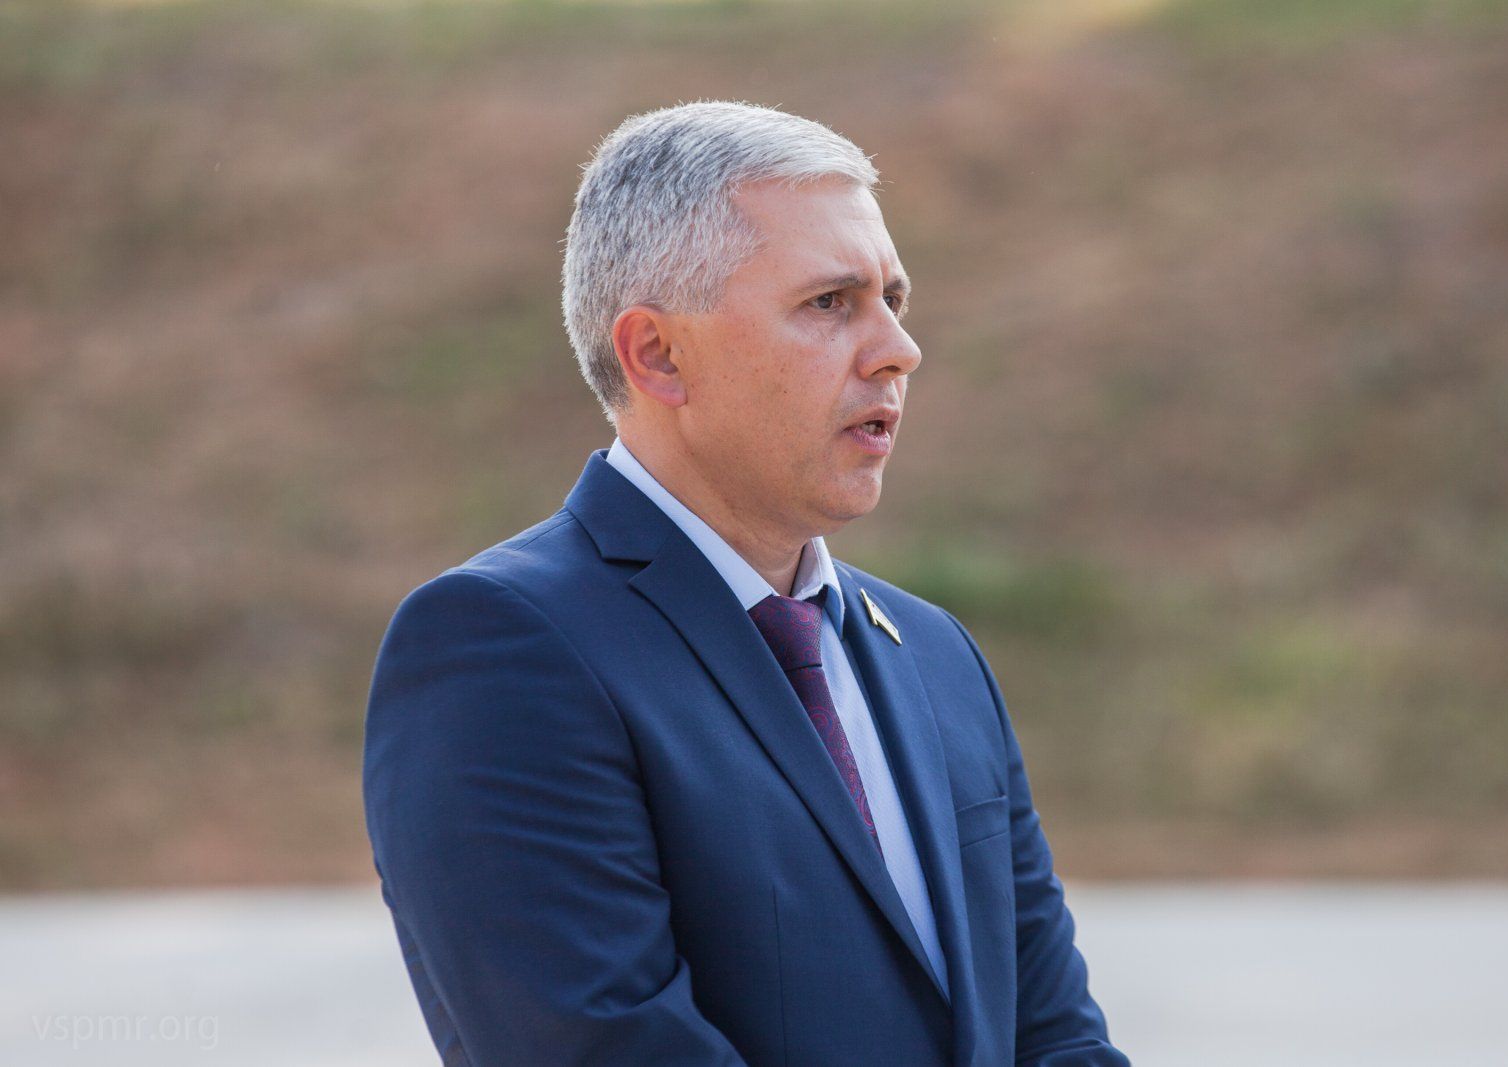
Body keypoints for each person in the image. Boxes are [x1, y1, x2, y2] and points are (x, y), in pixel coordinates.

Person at [363, 100, 1129, 1067]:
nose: (898, 348)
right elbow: (604, 1050)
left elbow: (1055, 1034)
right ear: (657, 354)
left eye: (894, 299)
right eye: (830, 303)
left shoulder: (937, 655)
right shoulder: (503, 647)